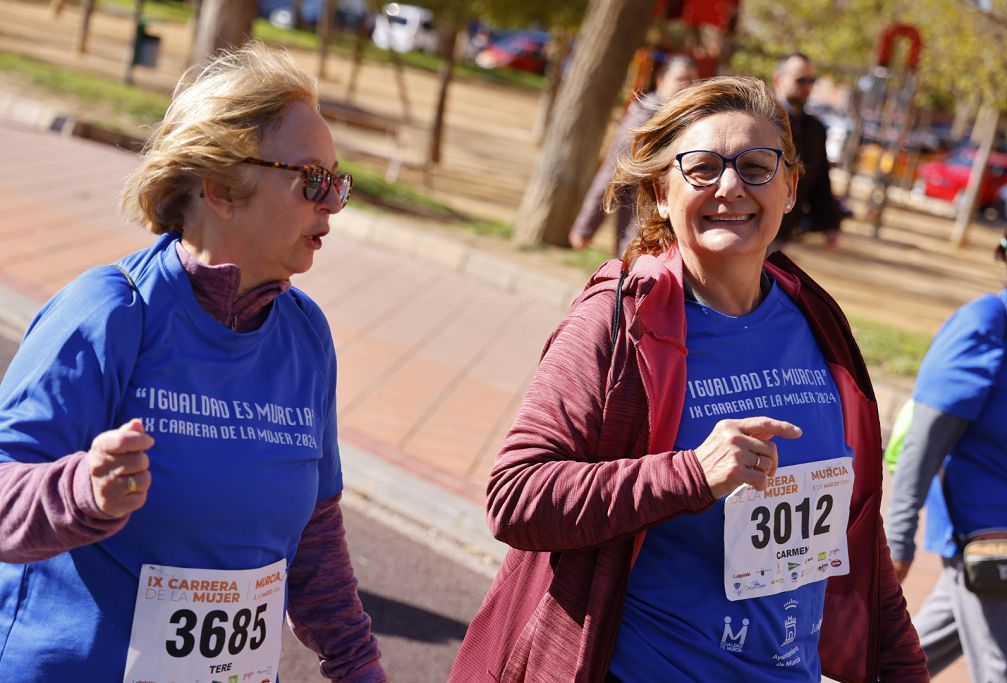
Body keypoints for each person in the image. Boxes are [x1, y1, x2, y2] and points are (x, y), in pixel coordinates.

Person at [451, 76, 925, 682]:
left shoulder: (818, 320)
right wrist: (693, 474)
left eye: (757, 166)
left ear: (789, 189)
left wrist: (905, 668)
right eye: (702, 168)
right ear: (662, 190)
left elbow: (851, 527)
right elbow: (517, 496)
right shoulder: (623, 319)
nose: (731, 187)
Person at [0, 43, 385, 681]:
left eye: (339, 182)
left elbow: (314, 534)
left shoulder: (306, 336)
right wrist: (82, 491)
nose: (333, 204)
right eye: (313, 180)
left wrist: (357, 664)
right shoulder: (110, 313)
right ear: (220, 189)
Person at [884, 220, 1007, 682]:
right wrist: (899, 539)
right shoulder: (989, 323)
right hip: (993, 538)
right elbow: (925, 439)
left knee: (907, 663)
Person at [569, 55, 700, 256]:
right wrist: (586, 226)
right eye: (681, 79)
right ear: (661, 80)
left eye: (692, 80)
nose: (687, 85)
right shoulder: (645, 117)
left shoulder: (687, 120)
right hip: (640, 224)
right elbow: (614, 171)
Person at [772, 53, 843, 250]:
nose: (807, 87)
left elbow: (820, 179)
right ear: (778, 79)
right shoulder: (761, 121)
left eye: (812, 80)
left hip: (783, 230)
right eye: (800, 80)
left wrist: (830, 224)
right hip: (750, 225)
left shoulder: (815, 128)